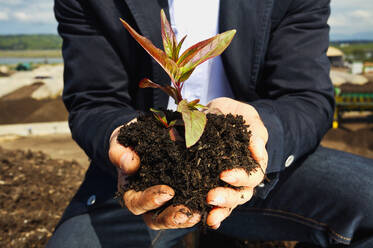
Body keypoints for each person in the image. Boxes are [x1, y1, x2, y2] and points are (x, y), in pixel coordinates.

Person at [48, 0, 373, 247]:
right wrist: (123, 135)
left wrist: (261, 132)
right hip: (140, 175)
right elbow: (93, 100)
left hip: (261, 161)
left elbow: (307, 98)